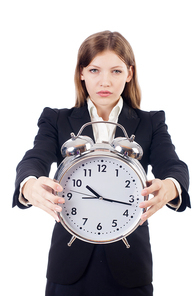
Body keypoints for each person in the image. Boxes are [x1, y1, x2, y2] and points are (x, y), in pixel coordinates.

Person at [13, 31, 190, 296]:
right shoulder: (57, 119)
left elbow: (175, 167)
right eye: (95, 70)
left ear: (129, 73)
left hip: (130, 266)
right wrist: (29, 185)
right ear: (81, 72)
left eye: (116, 71)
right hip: (69, 266)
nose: (104, 81)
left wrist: (171, 186)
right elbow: (34, 159)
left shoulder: (151, 122)